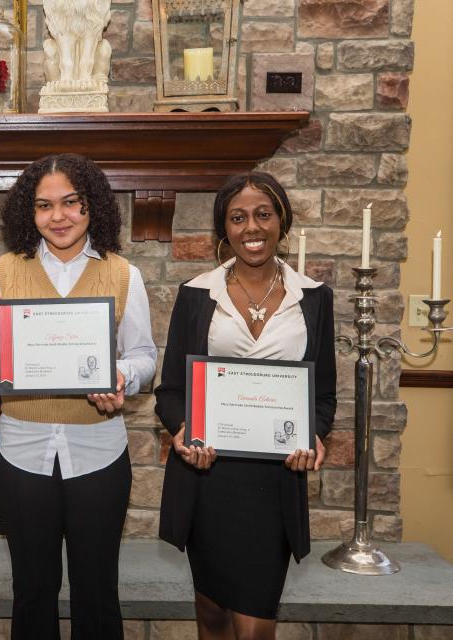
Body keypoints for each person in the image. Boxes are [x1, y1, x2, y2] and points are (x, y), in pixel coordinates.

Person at [0, 153, 157, 639]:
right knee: (32, 589)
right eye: (44, 205)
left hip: (99, 451)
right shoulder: (6, 269)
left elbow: (144, 357)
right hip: (22, 450)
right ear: (28, 214)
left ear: (91, 205)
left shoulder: (123, 274)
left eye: (71, 203)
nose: (59, 217)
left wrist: (119, 375)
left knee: (97, 591)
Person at [154, 171, 336, 639]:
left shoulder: (313, 298)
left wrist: (312, 436)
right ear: (224, 229)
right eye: (238, 218)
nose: (251, 228)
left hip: (274, 481)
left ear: (281, 222)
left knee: (256, 626)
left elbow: (323, 395)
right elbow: (170, 391)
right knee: (212, 616)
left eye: (263, 214)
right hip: (207, 476)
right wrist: (181, 432)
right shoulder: (196, 295)